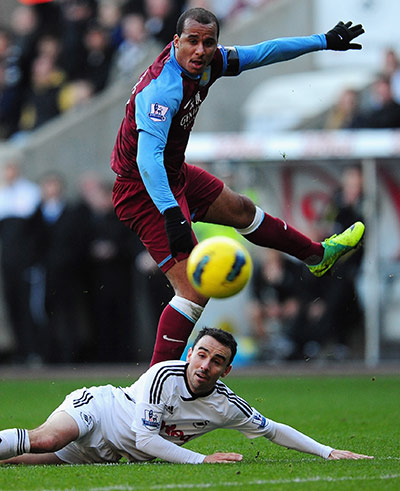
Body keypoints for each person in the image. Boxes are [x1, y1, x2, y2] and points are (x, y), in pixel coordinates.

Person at [111, 8, 366, 365]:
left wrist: (323, 41)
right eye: (192, 42)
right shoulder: (161, 91)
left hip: (173, 173)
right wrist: (172, 214)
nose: (201, 50)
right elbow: (146, 160)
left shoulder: (211, 62)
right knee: (194, 290)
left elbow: (264, 52)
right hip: (143, 189)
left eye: (209, 42)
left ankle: (317, 256)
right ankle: (153, 390)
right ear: (175, 42)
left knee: (242, 209)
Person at [0, 327, 373, 465]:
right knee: (45, 438)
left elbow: (273, 430)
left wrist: (327, 451)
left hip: (109, 453)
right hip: (97, 412)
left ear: (226, 371)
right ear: (190, 353)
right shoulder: (166, 374)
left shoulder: (225, 404)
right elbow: (146, 437)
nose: (205, 365)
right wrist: (201, 459)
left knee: (18, 461)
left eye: (216, 361)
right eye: (201, 354)